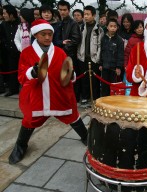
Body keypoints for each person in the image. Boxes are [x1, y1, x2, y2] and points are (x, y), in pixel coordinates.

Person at [8, 19, 88, 165]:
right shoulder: (27, 53)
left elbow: (68, 71)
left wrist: (71, 75)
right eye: (43, 34)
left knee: (72, 115)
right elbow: (21, 76)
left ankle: (86, 137)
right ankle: (20, 146)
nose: (47, 37)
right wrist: (32, 72)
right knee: (29, 120)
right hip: (37, 95)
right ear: (36, 35)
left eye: (50, 34)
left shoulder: (59, 52)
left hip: (58, 93)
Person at [77, 6, 104, 105]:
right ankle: (85, 97)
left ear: (94, 15)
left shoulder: (99, 29)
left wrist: (98, 58)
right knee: (84, 79)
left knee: (95, 80)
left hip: (94, 58)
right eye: (84, 14)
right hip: (83, 57)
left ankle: (95, 98)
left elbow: (100, 45)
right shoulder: (81, 27)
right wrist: (79, 54)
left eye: (88, 14)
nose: (86, 17)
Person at [57, 0, 81, 102]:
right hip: (61, 54)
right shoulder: (60, 23)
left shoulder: (73, 24)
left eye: (64, 10)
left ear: (68, 10)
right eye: (60, 10)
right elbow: (58, 40)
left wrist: (64, 48)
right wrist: (61, 44)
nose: (62, 12)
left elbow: (75, 40)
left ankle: (73, 98)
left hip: (70, 55)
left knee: (72, 77)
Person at [99, 18, 124, 97]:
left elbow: (120, 54)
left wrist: (118, 67)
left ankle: (112, 102)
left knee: (113, 86)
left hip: (114, 68)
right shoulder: (103, 38)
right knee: (104, 86)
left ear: (117, 28)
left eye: (115, 26)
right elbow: (101, 52)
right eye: (111, 26)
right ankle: (104, 101)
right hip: (105, 67)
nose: (113, 28)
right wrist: (101, 64)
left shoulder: (119, 40)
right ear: (107, 27)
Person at [1, 5, 20, 97]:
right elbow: (3, 37)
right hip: (9, 52)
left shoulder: (20, 23)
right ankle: (13, 89)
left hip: (20, 51)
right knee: (11, 70)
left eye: (5, 13)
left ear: (11, 14)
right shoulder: (3, 25)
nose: (3, 15)